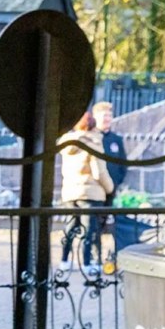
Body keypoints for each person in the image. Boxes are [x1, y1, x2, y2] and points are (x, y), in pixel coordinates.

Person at [58, 112, 114, 273]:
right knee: (90, 230)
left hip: (70, 192)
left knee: (70, 227)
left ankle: (64, 261)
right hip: (90, 193)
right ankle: (89, 263)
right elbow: (99, 172)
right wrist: (110, 188)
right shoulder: (94, 143)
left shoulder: (67, 144)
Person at [92, 101, 128, 203]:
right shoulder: (91, 138)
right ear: (95, 117)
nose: (107, 119)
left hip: (111, 189)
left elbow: (122, 163)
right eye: (104, 115)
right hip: (95, 190)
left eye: (109, 116)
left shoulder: (116, 139)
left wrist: (116, 182)